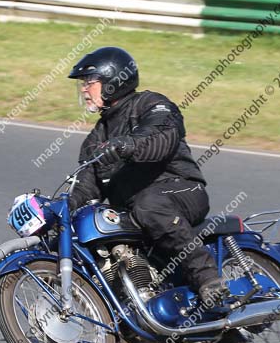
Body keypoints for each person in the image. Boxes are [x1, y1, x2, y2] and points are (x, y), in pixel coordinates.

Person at [67, 46, 228, 306]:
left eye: (90, 82)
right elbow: (87, 186)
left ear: (112, 81)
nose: (84, 89)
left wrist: (125, 146)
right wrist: (59, 211)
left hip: (181, 191)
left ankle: (207, 277)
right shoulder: (96, 137)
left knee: (148, 203)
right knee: (89, 228)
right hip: (135, 209)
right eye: (84, 84)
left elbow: (160, 137)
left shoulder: (152, 104)